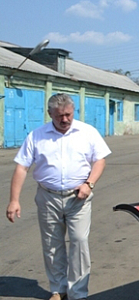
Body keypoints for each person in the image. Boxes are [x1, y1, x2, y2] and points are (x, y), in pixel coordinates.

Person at [5, 93, 111, 300]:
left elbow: (100, 161)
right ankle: (58, 290)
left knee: (79, 242)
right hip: (48, 197)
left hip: (78, 198)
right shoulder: (37, 136)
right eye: (59, 116)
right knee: (52, 245)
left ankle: (78, 293)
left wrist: (89, 184)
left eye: (68, 115)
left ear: (74, 111)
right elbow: (21, 168)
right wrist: (14, 200)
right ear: (49, 114)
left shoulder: (87, 132)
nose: (64, 120)